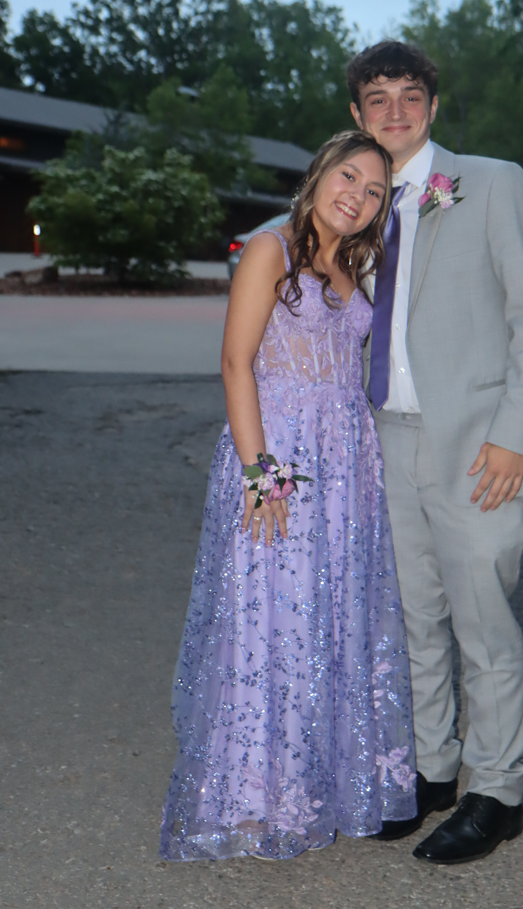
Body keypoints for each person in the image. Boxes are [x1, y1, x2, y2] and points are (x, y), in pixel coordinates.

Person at [160, 130, 417, 862]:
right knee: (269, 618)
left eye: (374, 191)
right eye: (349, 177)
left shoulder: (350, 262)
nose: (358, 196)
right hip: (280, 457)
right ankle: (250, 797)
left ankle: (316, 783)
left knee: (327, 617)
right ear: (319, 173)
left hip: (344, 468)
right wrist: (261, 472)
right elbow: (235, 362)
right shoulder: (269, 248)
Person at [347, 40, 523, 865]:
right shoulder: (358, 199)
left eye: (411, 95)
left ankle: (497, 793)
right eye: (378, 99)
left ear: (433, 107)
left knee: (483, 622)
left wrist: (516, 435)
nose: (396, 111)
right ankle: (432, 768)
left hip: (480, 446)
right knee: (414, 619)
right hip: (388, 438)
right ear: (357, 115)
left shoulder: (492, 181)